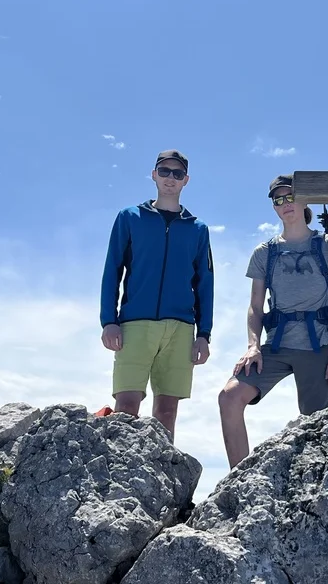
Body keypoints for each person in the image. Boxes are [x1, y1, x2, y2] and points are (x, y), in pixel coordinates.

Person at [218, 174, 328, 468]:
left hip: (319, 347)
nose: (285, 204)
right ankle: (239, 481)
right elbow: (255, 307)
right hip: (276, 346)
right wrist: (253, 346)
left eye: (290, 196)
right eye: (278, 199)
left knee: (315, 428)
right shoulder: (264, 253)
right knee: (229, 398)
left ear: (304, 200)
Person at [99, 149, 215, 443]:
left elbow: (205, 283)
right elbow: (112, 270)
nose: (170, 179)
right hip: (135, 324)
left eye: (177, 174)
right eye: (164, 171)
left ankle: (160, 483)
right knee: (126, 406)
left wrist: (204, 334)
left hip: (180, 328)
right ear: (154, 175)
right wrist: (108, 320)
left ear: (186, 180)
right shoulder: (129, 218)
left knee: (166, 412)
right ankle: (121, 478)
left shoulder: (198, 229)